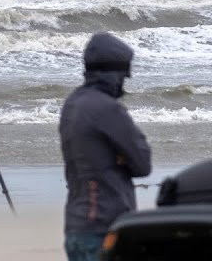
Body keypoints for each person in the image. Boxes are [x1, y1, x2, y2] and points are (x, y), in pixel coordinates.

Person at [59, 33, 152, 261]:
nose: (126, 81)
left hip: (76, 224)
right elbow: (142, 164)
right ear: (116, 73)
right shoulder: (108, 109)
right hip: (104, 223)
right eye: (125, 73)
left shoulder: (72, 104)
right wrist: (120, 158)